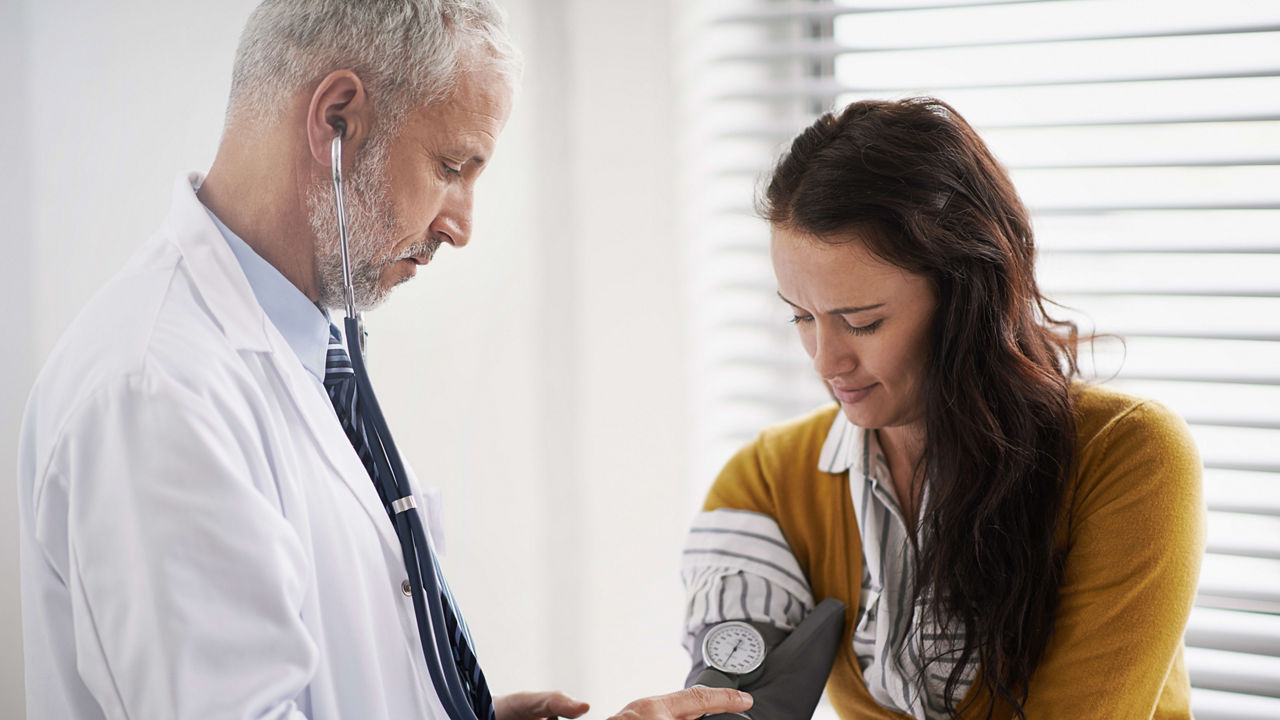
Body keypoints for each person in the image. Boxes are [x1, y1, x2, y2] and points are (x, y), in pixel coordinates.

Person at [16, 3, 754, 720]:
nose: (462, 226)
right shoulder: (156, 395)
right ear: (336, 118)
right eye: (452, 165)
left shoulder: (303, 349)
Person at [680, 98, 1204, 719]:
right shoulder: (768, 480)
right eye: (801, 316)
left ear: (967, 299)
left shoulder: (1127, 455)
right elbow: (738, 697)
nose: (826, 362)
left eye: (863, 323)